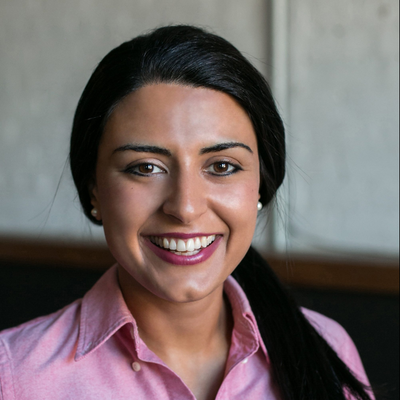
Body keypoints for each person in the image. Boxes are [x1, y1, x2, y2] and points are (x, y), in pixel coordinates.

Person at [0, 25, 374, 400]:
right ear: (93, 189)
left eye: (222, 166)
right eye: (145, 168)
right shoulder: (14, 376)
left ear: (261, 185)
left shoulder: (327, 350)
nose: (185, 207)